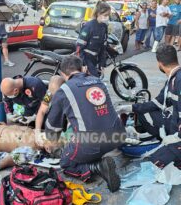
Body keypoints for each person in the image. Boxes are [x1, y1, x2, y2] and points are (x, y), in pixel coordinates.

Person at [45, 55, 126, 192]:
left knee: (66, 162)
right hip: (117, 137)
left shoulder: (64, 91)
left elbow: (52, 129)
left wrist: (51, 141)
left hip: (91, 143)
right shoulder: (98, 81)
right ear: (82, 68)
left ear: (63, 74)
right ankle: (95, 156)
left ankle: (98, 167)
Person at [117, 44, 181, 170]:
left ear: (159, 63)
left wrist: (177, 137)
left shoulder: (178, 81)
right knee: (143, 112)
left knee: (155, 163)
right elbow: (156, 103)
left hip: (178, 135)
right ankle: (166, 141)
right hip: (174, 125)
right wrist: (131, 108)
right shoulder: (173, 79)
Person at [76, 1, 110, 77]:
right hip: (86, 58)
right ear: (98, 13)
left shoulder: (104, 27)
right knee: (94, 80)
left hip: (95, 59)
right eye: (105, 15)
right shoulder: (88, 26)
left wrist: (102, 64)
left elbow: (103, 47)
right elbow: (79, 47)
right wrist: (83, 63)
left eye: (108, 15)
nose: (107, 17)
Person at [35, 75, 65, 142]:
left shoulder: (70, 95)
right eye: (52, 94)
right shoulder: (49, 94)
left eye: (56, 95)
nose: (53, 96)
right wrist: (37, 131)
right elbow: (42, 111)